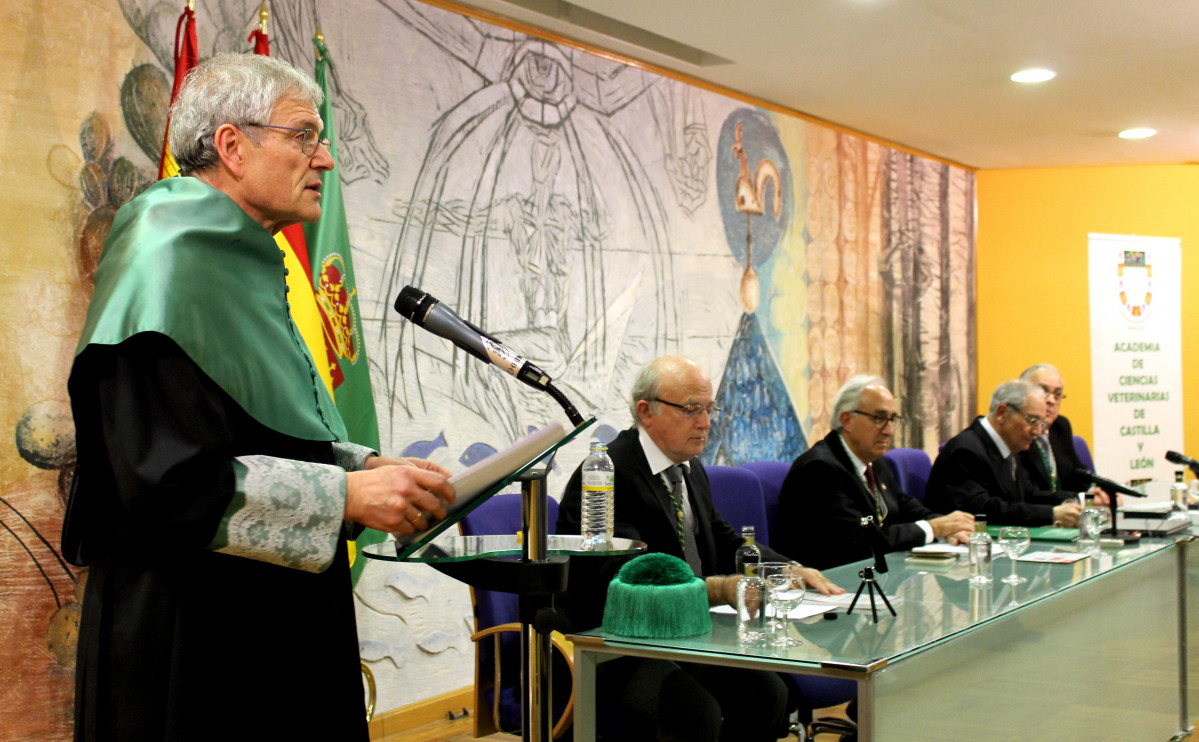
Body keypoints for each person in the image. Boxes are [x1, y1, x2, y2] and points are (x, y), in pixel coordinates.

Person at [63, 53, 455, 741]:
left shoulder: (236, 258)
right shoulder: (166, 258)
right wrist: (346, 499)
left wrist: (362, 466)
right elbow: (166, 480)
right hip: (197, 642)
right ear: (232, 146)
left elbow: (258, 424)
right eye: (304, 135)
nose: (325, 159)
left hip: (270, 625)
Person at [557, 356, 845, 742]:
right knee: (694, 714)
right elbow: (625, 579)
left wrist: (786, 568)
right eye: (692, 409)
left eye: (710, 409)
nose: (706, 422)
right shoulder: (607, 474)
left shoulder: (687, 467)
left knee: (769, 695)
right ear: (647, 411)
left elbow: (724, 539)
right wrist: (718, 589)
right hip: (620, 645)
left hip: (689, 635)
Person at [774, 376, 974, 569]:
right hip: (829, 586)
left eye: (892, 419)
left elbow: (905, 507)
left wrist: (950, 527)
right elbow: (860, 540)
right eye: (879, 418)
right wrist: (935, 528)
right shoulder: (819, 469)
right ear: (847, 420)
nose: (888, 430)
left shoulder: (875, 461)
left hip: (874, 575)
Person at [925, 380, 1083, 527]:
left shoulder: (1011, 445)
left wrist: (1074, 501)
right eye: (1033, 421)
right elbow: (982, 510)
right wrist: (1051, 514)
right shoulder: (965, 451)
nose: (1038, 432)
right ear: (1002, 413)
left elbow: (1027, 495)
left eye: (1041, 424)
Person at [1018, 363, 1115, 504]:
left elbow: (1077, 475)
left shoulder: (1060, 426)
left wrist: (1098, 493)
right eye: (1042, 391)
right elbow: (1028, 494)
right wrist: (1082, 499)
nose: (1051, 401)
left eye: (1057, 394)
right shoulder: (1016, 432)